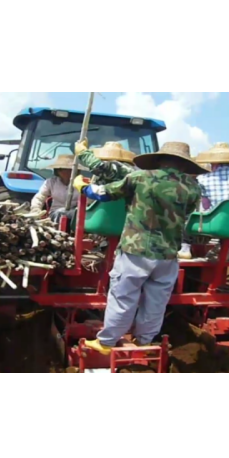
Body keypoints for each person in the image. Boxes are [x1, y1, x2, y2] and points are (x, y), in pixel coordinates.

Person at [72, 142, 207, 355]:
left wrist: (83, 187)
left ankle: (106, 343)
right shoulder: (192, 188)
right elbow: (188, 213)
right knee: (156, 301)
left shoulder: (140, 178)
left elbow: (105, 194)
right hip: (168, 255)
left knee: (123, 296)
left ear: (159, 159)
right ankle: (144, 341)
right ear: (184, 164)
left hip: (136, 250)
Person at [30, 154, 87, 223]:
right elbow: (40, 197)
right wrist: (36, 209)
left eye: (71, 170)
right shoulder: (51, 182)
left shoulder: (82, 183)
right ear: (58, 171)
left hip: (75, 214)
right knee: (60, 212)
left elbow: (90, 201)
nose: (68, 172)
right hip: (55, 214)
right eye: (64, 169)